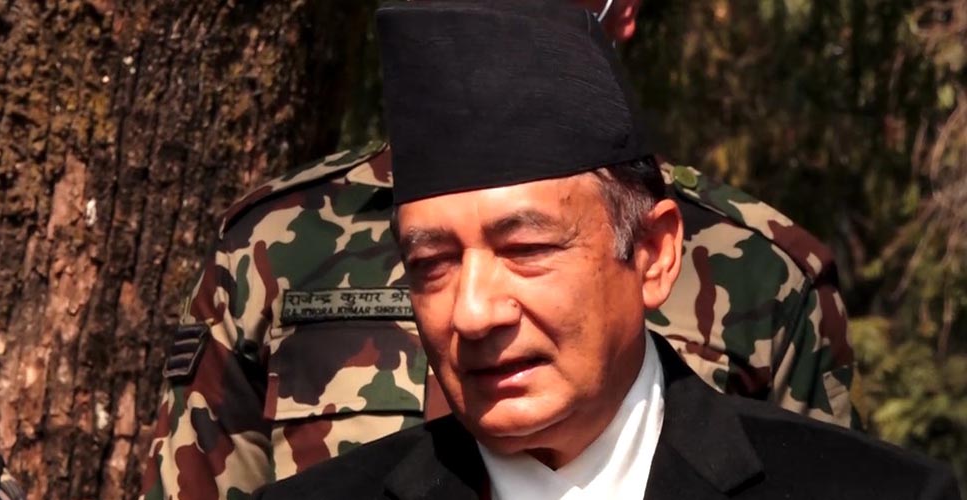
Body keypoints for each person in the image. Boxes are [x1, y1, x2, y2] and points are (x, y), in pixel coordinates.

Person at [139, 1, 857, 499]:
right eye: (430, 266)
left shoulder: (760, 266)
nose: (475, 313)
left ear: (655, 254)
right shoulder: (279, 239)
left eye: (528, 248)